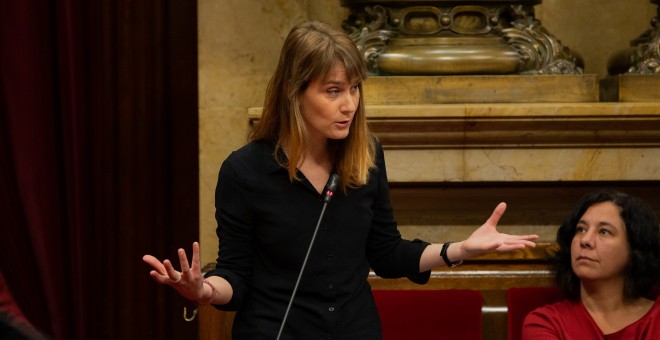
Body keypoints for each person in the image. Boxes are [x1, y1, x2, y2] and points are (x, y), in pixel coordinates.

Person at [143, 21, 538, 339]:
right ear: (293, 93)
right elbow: (236, 275)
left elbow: (385, 252)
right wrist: (204, 291)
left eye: (354, 89)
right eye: (333, 91)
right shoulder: (244, 171)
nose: (349, 104)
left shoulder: (366, 155)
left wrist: (460, 250)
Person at [522, 189, 660, 339]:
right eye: (581, 229)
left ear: (635, 248)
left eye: (604, 231)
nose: (585, 240)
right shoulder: (546, 322)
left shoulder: (655, 319)